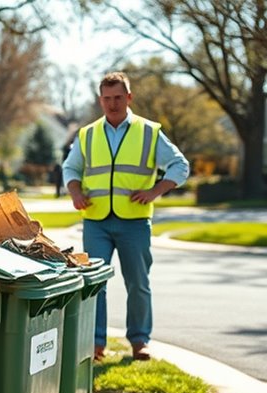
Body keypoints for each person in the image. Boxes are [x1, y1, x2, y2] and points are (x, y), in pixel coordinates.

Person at [62, 72, 189, 361]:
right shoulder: (87, 134)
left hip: (134, 222)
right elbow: (71, 168)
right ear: (100, 100)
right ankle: (95, 344)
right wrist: (75, 192)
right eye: (107, 98)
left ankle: (139, 341)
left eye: (118, 97)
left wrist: (156, 191)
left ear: (129, 97)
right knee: (95, 284)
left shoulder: (149, 132)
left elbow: (180, 166)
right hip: (96, 221)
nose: (113, 104)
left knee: (138, 283)